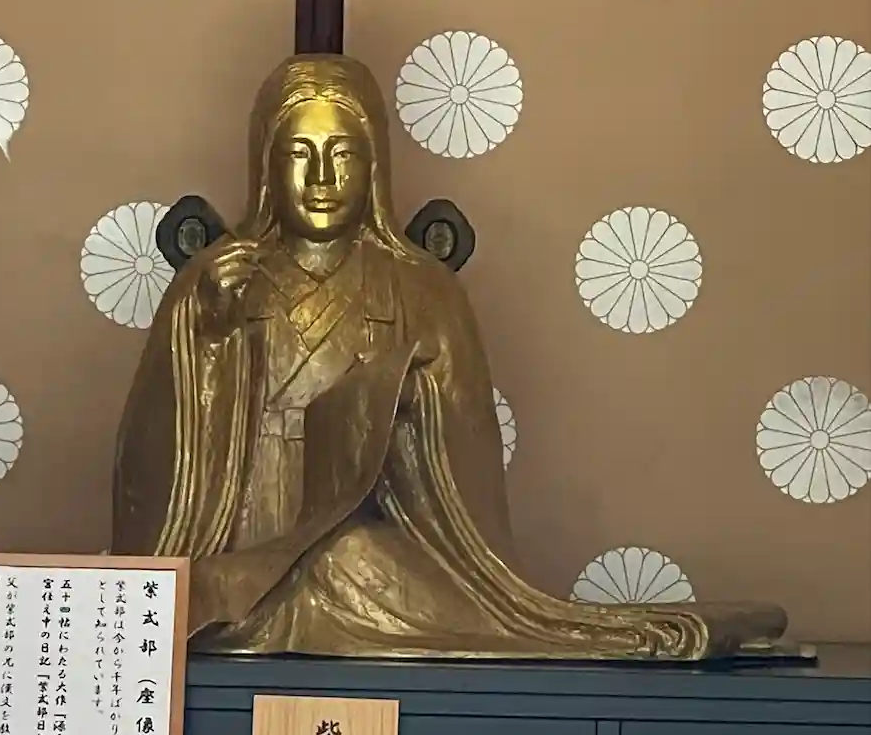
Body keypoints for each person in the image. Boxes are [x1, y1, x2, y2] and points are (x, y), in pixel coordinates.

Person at [111, 54, 786, 661]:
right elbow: (150, 448)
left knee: (347, 558)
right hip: (247, 527)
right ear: (264, 166)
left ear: (375, 167)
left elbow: (463, 438)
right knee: (250, 583)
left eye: (342, 154)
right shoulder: (216, 281)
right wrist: (207, 337)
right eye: (298, 153)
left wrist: (409, 401)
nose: (320, 177)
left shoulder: (421, 287)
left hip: (362, 522)